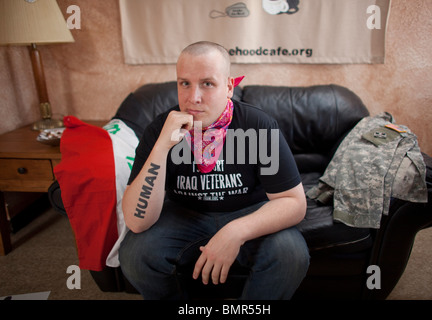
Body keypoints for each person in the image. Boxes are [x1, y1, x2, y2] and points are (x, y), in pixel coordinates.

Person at [119, 41, 309, 300]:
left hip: (247, 211)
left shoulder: (257, 124)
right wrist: (162, 147)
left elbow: (294, 203)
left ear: (229, 87)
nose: (193, 97)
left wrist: (235, 231)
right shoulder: (160, 128)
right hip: (185, 213)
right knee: (134, 254)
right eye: (184, 83)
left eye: (207, 83)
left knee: (292, 254)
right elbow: (137, 221)